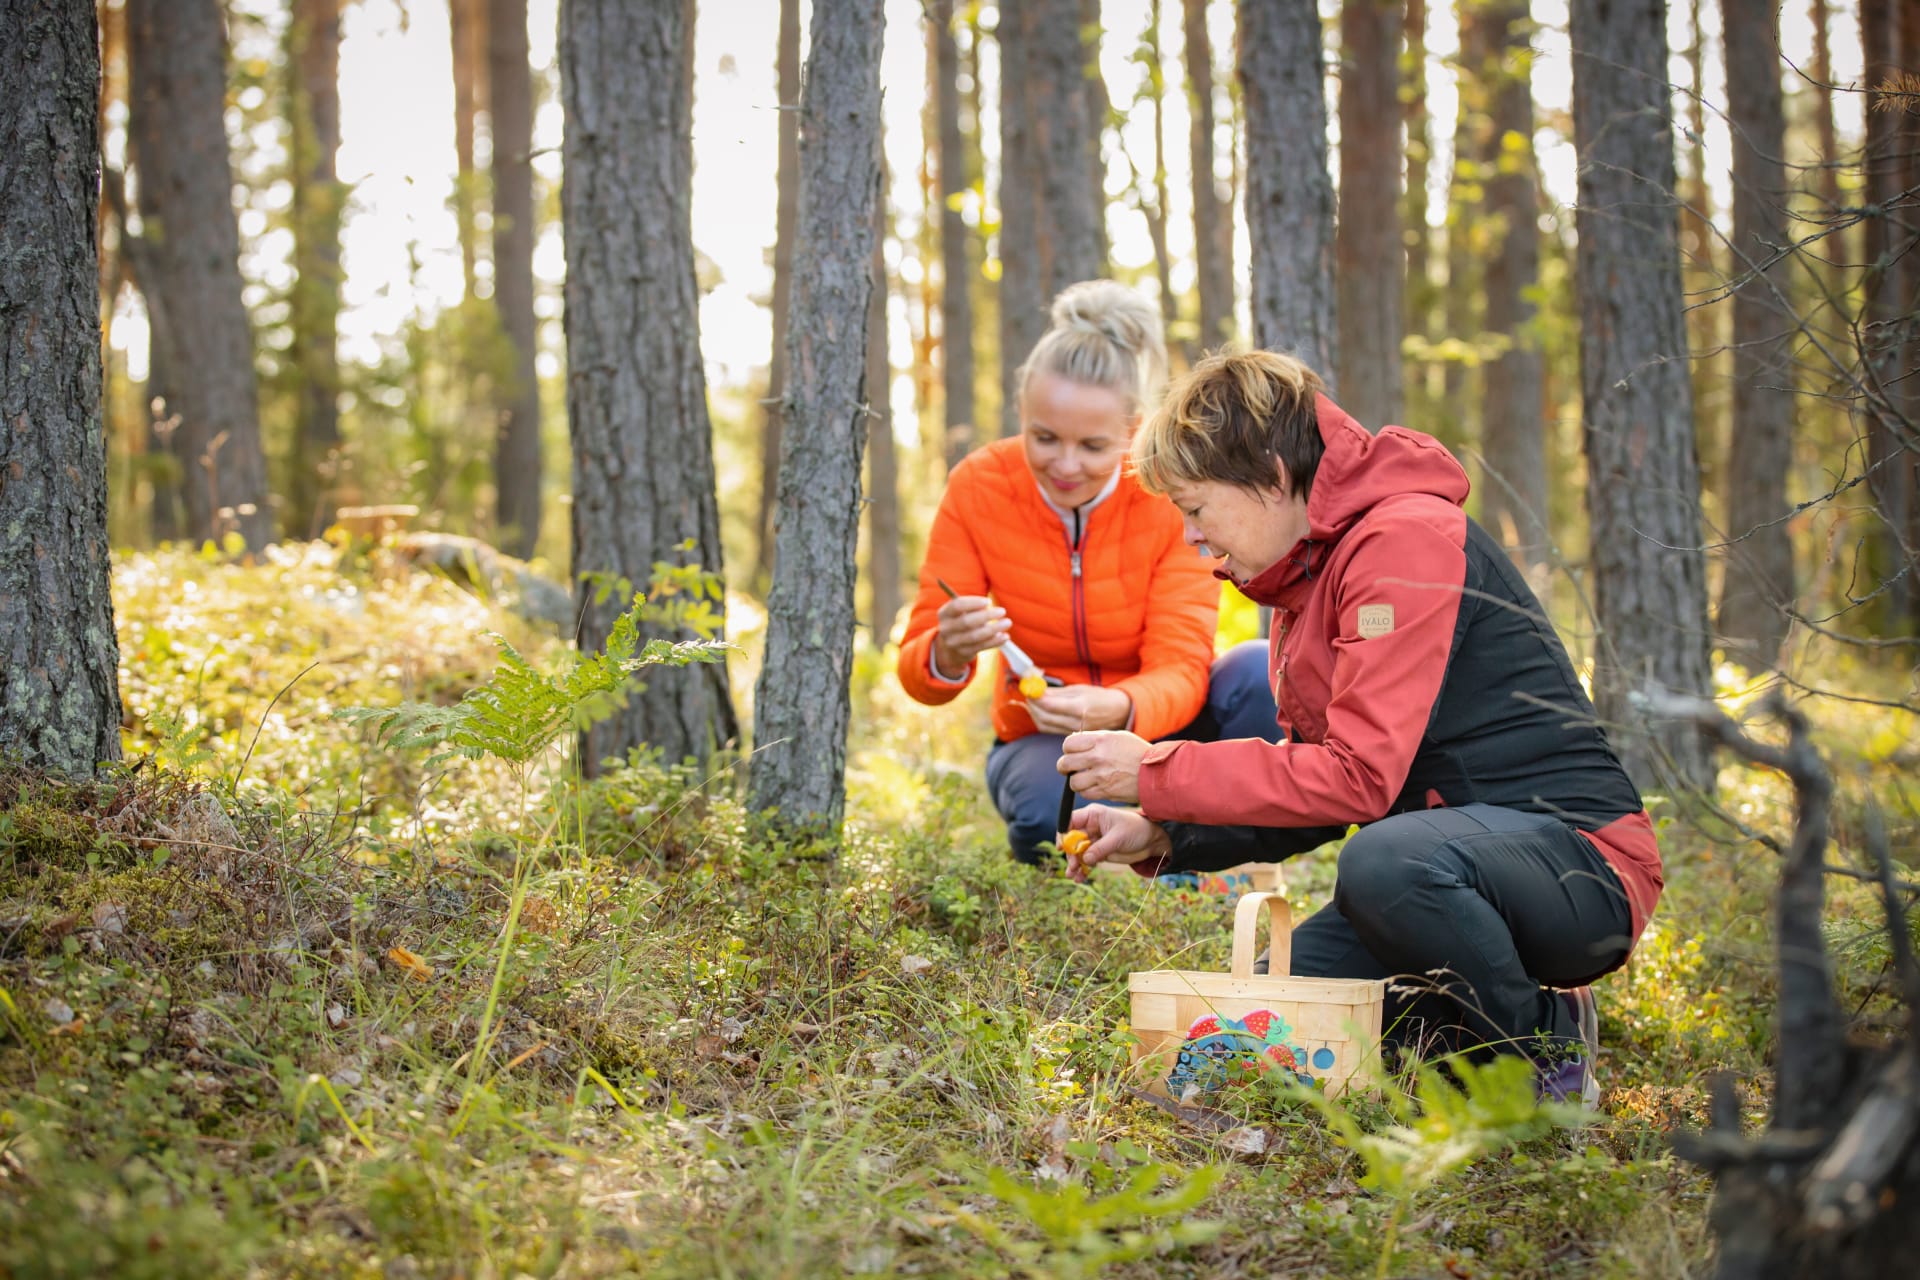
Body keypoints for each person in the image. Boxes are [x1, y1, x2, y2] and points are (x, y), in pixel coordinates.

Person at [1058, 350, 1663, 1103]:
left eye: (1195, 507)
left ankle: (1541, 1050)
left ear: (1273, 478)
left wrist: (1156, 769)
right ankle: (1465, 1036)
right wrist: (1165, 832)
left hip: (1579, 868)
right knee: (1275, 1017)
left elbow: (1359, 778)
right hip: (1445, 865)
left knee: (1382, 865)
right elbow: (1311, 778)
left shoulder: (1401, 541)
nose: (1191, 537)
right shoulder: (1301, 580)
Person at [896, 282, 1280, 865]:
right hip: (1042, 737)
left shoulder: (1166, 492)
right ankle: (1089, 875)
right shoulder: (980, 485)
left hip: (1164, 725)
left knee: (1257, 672)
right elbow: (918, 671)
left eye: (1094, 446)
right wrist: (947, 649)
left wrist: (1122, 709)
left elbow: (1180, 662)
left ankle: (1193, 860)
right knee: (1045, 820)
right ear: (1021, 417)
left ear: (1133, 432)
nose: (1065, 465)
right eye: (1043, 438)